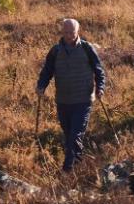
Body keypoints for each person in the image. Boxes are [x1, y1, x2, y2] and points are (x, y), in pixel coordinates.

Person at [35, 18, 107, 172]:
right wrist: (41, 86)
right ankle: (78, 167)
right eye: (66, 32)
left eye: (72, 32)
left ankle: (66, 171)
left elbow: (99, 71)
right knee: (70, 137)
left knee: (75, 135)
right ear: (62, 32)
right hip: (63, 101)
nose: (69, 36)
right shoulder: (55, 51)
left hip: (83, 100)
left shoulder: (87, 48)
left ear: (77, 31)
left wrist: (100, 88)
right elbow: (47, 71)